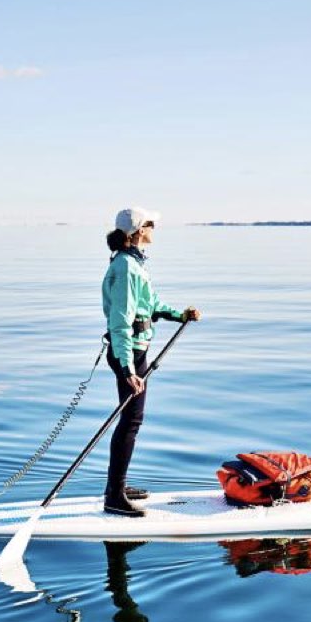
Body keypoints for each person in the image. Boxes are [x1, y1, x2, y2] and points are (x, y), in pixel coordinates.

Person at [101, 207, 200, 517]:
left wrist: (179, 315)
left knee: (131, 420)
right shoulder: (127, 268)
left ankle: (117, 486)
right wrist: (128, 369)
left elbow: (150, 303)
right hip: (129, 353)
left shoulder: (133, 263)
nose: (155, 228)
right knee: (131, 421)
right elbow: (120, 321)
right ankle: (114, 496)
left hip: (134, 351)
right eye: (150, 224)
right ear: (138, 231)